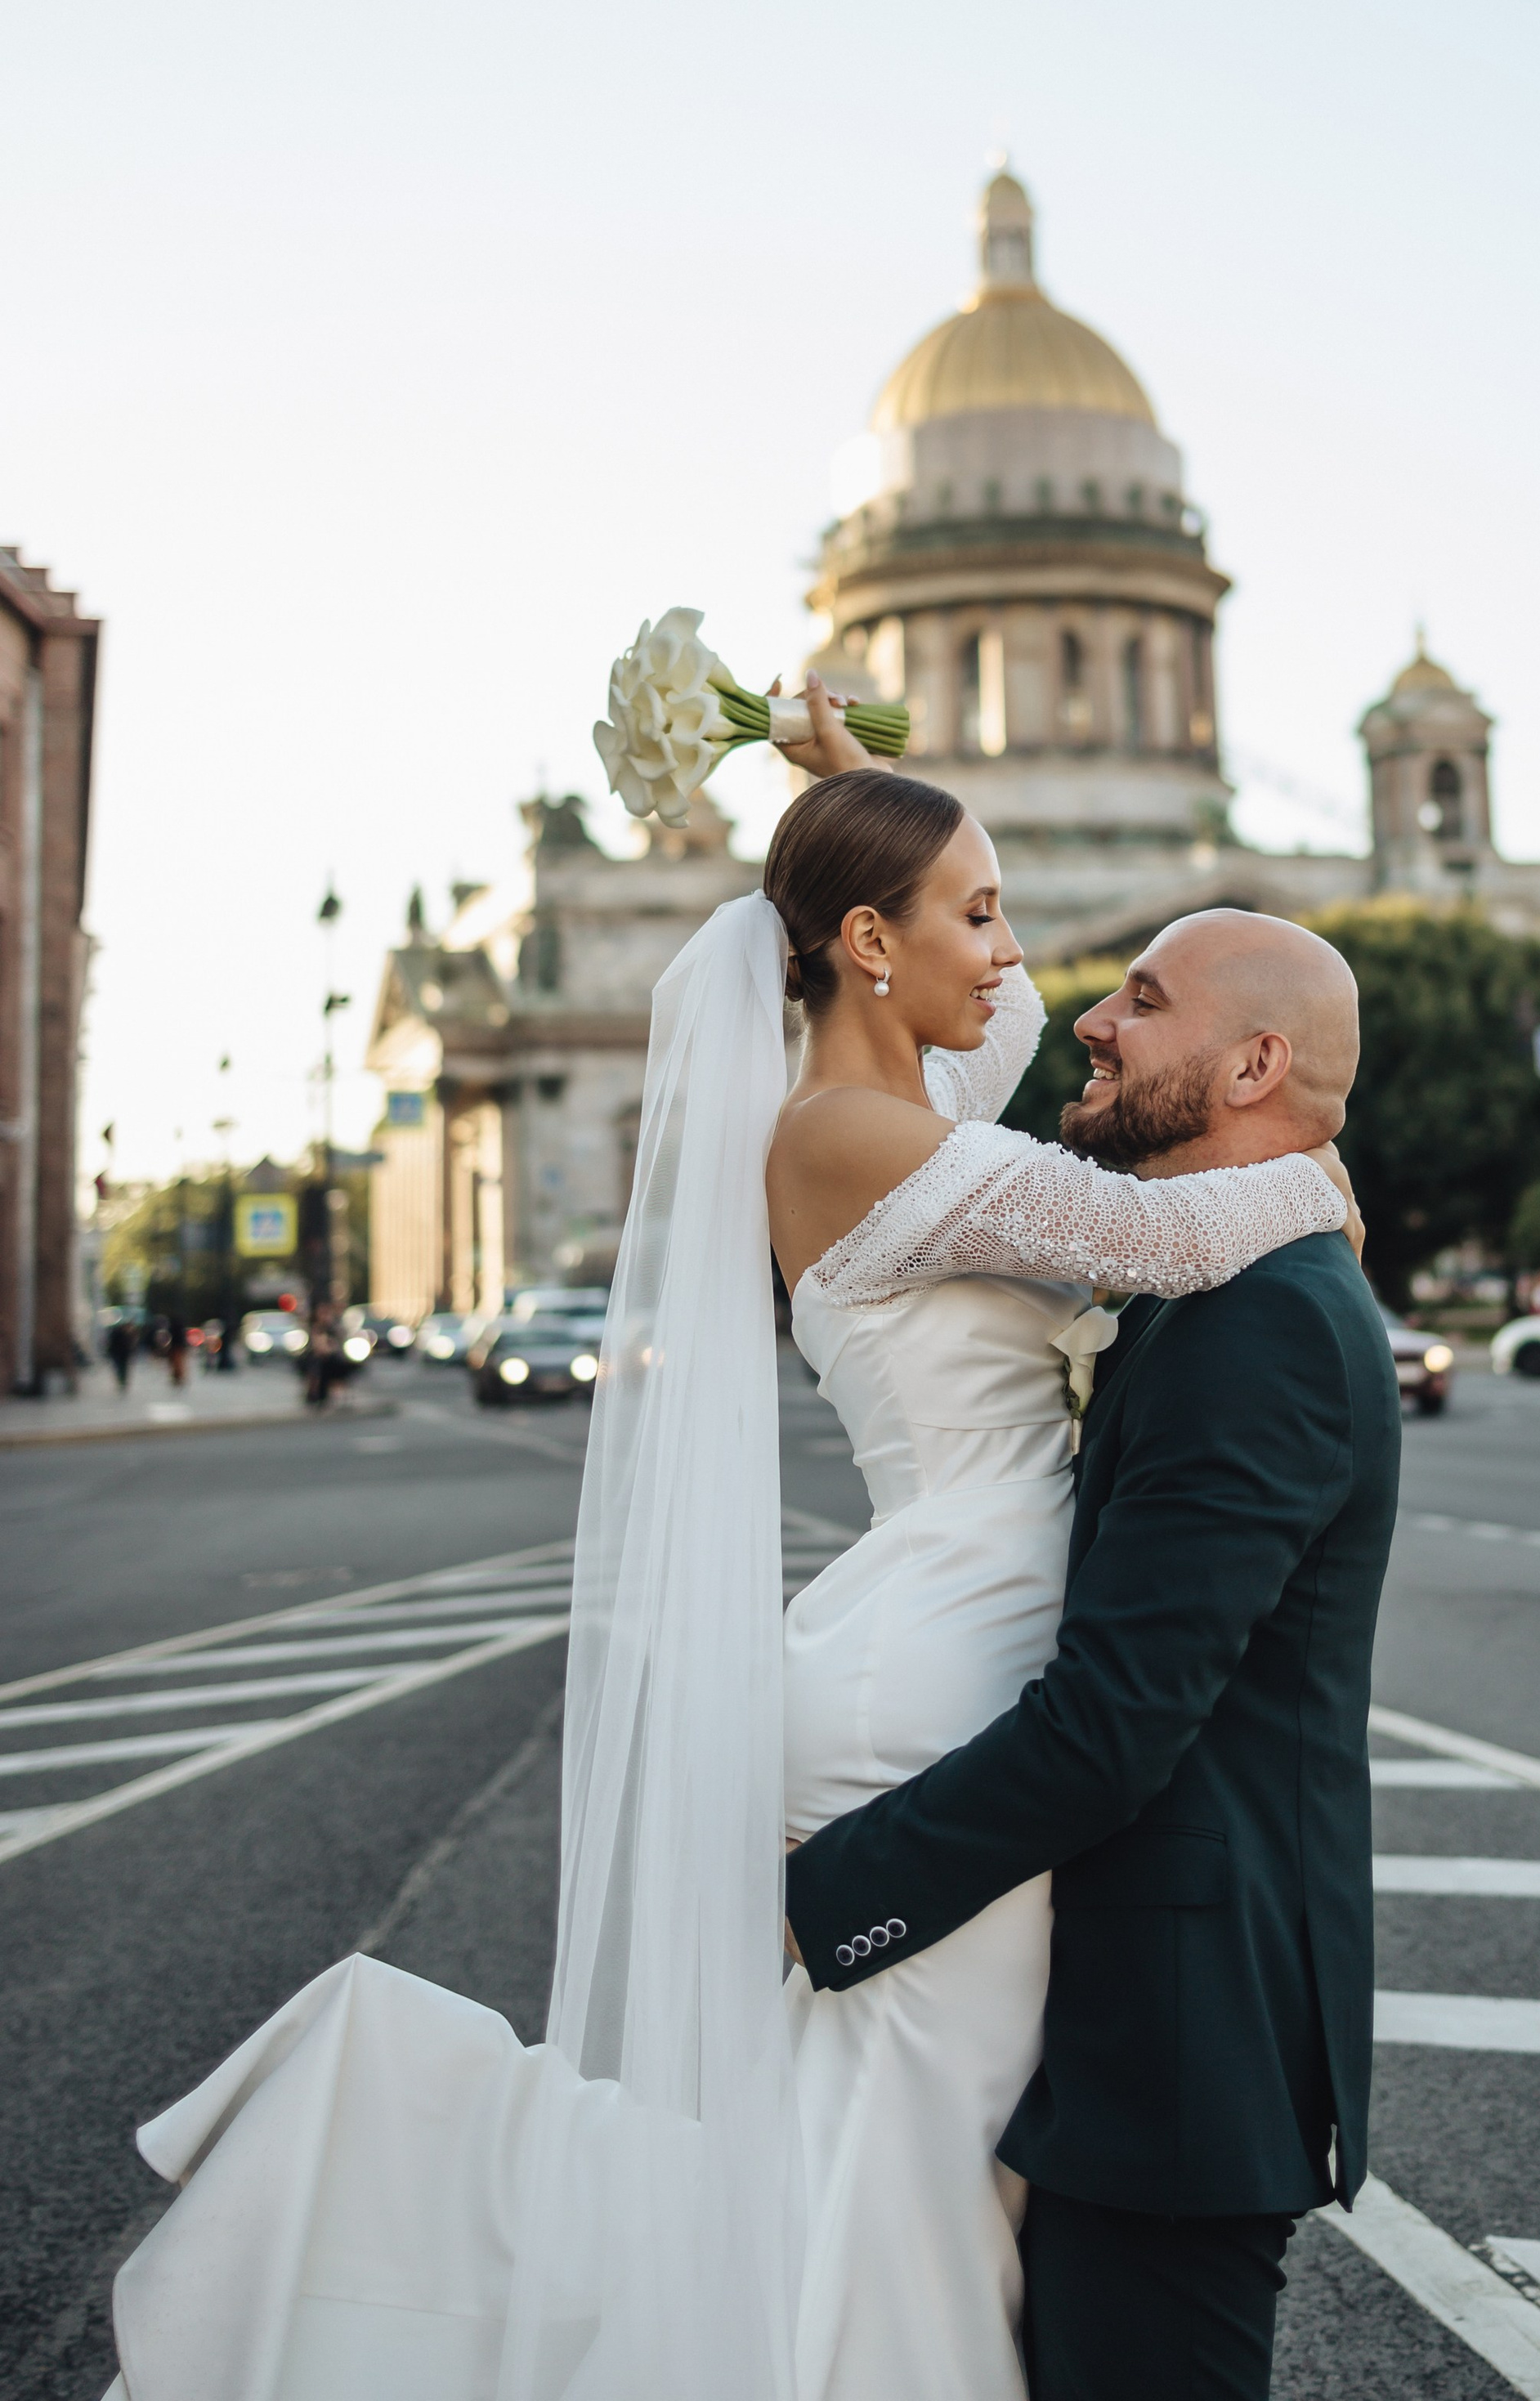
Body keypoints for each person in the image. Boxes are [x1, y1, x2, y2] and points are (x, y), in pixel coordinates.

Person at [101, 680, 1361, 2401]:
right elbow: (1135, 1223)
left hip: (924, 1615)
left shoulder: (890, 1115)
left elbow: (994, 1046)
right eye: (980, 916)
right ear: (862, 942)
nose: (1027, 972)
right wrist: (1321, 1172)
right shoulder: (846, 1136)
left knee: (895, 2134)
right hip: (946, 1641)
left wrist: (867, 783)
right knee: (919, 2137)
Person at [783, 835, 1399, 2401]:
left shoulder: (1258, 1313)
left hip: (1178, 2046)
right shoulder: (1213, 1275)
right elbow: (1001, 1028)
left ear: (1255, 1059)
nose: (1083, 1019)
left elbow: (1119, 1720)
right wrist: (847, 807)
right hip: (1124, 2005)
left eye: (1142, 997)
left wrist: (814, 1902)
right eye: (981, 919)